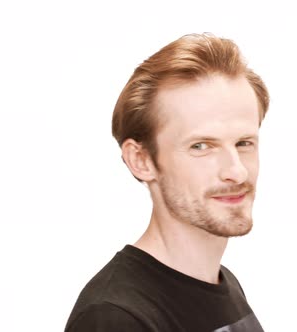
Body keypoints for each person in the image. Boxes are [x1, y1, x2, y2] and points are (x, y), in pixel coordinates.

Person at [64, 33, 269, 332]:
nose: (236, 172)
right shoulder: (116, 317)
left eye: (243, 143)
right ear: (141, 160)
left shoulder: (223, 283)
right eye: (201, 146)